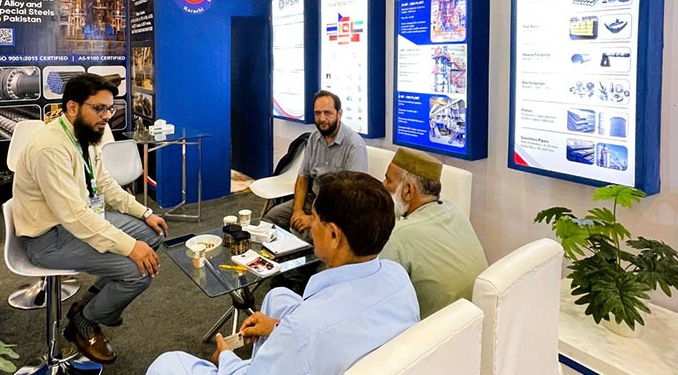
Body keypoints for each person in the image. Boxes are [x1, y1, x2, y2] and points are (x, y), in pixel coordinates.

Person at [148, 171, 419, 375]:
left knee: (167, 364)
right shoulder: (398, 277)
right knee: (278, 295)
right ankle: (270, 357)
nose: (310, 227)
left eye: (315, 219)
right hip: (345, 351)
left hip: (307, 347)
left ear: (334, 235)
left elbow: (309, 334)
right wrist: (278, 328)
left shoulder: (304, 330)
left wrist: (227, 358)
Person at [12, 73, 168, 364]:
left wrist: (144, 213)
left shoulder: (86, 134)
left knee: (152, 235)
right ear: (72, 107)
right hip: (49, 239)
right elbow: (74, 216)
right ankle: (85, 321)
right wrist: (129, 247)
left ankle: (87, 302)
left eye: (109, 108)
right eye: (99, 108)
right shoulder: (49, 148)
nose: (107, 116)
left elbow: (104, 184)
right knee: (138, 272)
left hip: (76, 223)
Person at [379, 147, 487, 318]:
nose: (382, 186)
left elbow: (381, 302)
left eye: (388, 180)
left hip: (433, 330)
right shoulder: (455, 211)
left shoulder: (396, 237)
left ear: (408, 191)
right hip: (473, 321)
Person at [264, 90, 367, 239]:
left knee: (306, 234)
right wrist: (298, 211)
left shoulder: (354, 145)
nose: (322, 119)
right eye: (317, 113)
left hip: (338, 209)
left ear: (339, 114)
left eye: (328, 113)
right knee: (271, 218)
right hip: (313, 200)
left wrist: (313, 220)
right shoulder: (314, 138)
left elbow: (353, 197)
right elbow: (303, 177)